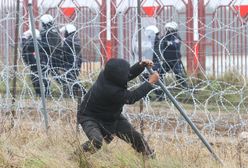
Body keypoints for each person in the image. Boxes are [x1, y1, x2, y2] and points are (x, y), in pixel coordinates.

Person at [77, 58, 159, 158]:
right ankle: (75, 157)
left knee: (136, 137)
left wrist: (140, 65)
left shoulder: (106, 75)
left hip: (111, 116)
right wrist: (150, 83)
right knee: (97, 141)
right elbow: (131, 98)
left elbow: (126, 75)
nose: (127, 74)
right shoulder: (111, 90)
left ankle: (150, 157)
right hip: (90, 117)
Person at [159, 21, 188, 89]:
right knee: (160, 74)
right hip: (166, 60)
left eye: (170, 29)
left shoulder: (177, 37)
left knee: (179, 76)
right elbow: (160, 44)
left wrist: (169, 43)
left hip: (175, 60)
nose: (169, 31)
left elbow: (175, 46)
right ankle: (161, 89)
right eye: (168, 29)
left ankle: (186, 89)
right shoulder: (164, 37)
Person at [21, 29, 49, 96]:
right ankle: (45, 93)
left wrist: (24, 38)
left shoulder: (33, 42)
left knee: (36, 78)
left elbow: (25, 46)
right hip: (41, 62)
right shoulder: (39, 42)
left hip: (36, 63)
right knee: (42, 77)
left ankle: (40, 93)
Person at [40, 14, 63, 93]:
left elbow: (43, 45)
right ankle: (67, 86)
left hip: (46, 57)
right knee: (56, 74)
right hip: (56, 56)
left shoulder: (44, 32)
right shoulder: (56, 31)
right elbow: (59, 44)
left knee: (44, 75)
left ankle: (46, 92)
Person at [60, 24, 85, 97]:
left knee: (71, 79)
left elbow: (64, 51)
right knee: (72, 78)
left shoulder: (68, 40)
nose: (64, 33)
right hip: (76, 61)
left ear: (68, 31)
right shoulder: (75, 38)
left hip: (71, 62)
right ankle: (75, 94)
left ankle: (82, 92)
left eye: (65, 32)